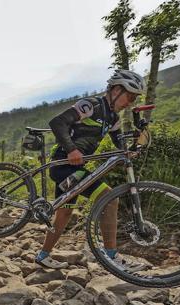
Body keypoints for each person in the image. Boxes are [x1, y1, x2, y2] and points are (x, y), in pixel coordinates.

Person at [34, 70, 147, 272]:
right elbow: (57, 123)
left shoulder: (113, 118)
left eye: (134, 99)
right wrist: (71, 149)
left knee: (64, 214)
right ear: (116, 90)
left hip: (74, 169)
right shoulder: (91, 105)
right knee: (109, 198)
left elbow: (119, 143)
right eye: (129, 96)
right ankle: (111, 257)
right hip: (63, 165)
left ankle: (43, 255)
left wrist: (131, 149)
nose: (130, 102)